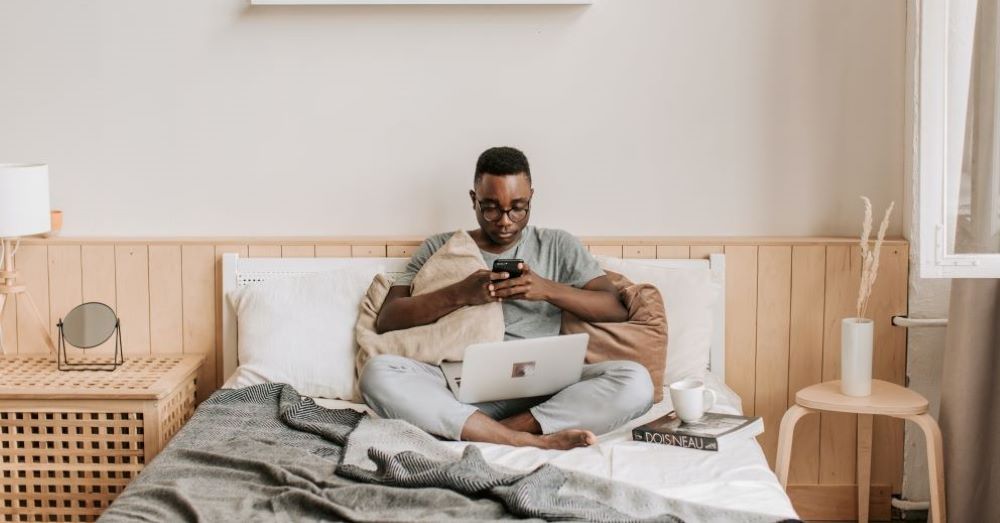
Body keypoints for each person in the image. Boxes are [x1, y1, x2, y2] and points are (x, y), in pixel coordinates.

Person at [359, 146, 653, 450]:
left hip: (544, 390)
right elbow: (388, 318)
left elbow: (614, 307)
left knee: (636, 381)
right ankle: (519, 439)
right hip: (456, 387)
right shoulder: (439, 246)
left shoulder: (557, 245)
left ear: (531, 199)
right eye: (490, 207)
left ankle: (498, 431)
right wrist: (461, 293)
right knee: (376, 374)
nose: (505, 220)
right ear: (473, 199)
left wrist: (546, 289)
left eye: (518, 208)